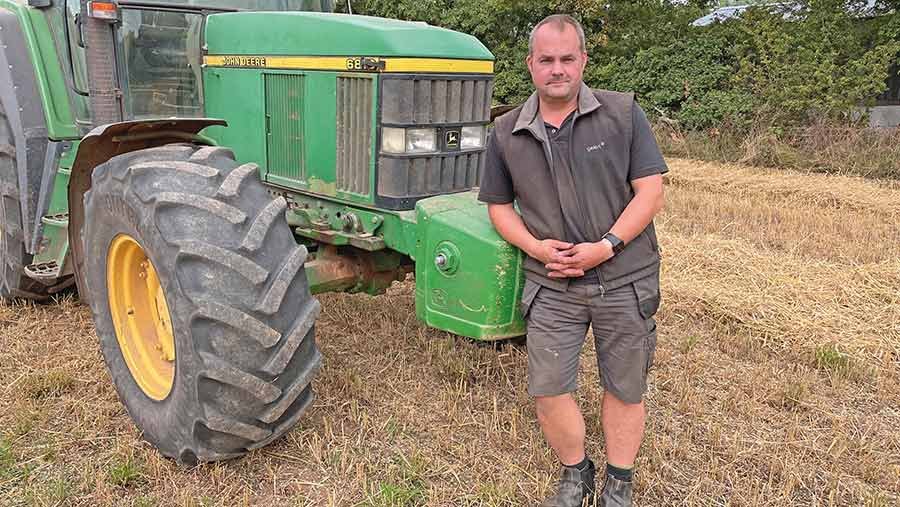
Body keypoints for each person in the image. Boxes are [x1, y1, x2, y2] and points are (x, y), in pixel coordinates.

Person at [477, 14, 667, 507]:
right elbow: (499, 208)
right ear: (531, 65)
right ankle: (576, 470)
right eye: (546, 60)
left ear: (583, 60)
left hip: (623, 277)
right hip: (552, 282)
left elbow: (649, 192)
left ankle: (618, 483)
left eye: (566, 59)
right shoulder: (505, 132)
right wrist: (537, 249)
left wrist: (606, 246)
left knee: (624, 387)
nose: (556, 69)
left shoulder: (623, 114)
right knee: (548, 389)